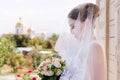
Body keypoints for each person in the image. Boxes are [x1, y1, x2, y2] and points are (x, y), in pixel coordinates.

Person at [55, 3, 106, 80]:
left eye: (73, 26)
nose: (71, 31)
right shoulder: (80, 48)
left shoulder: (94, 47)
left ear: (87, 23)